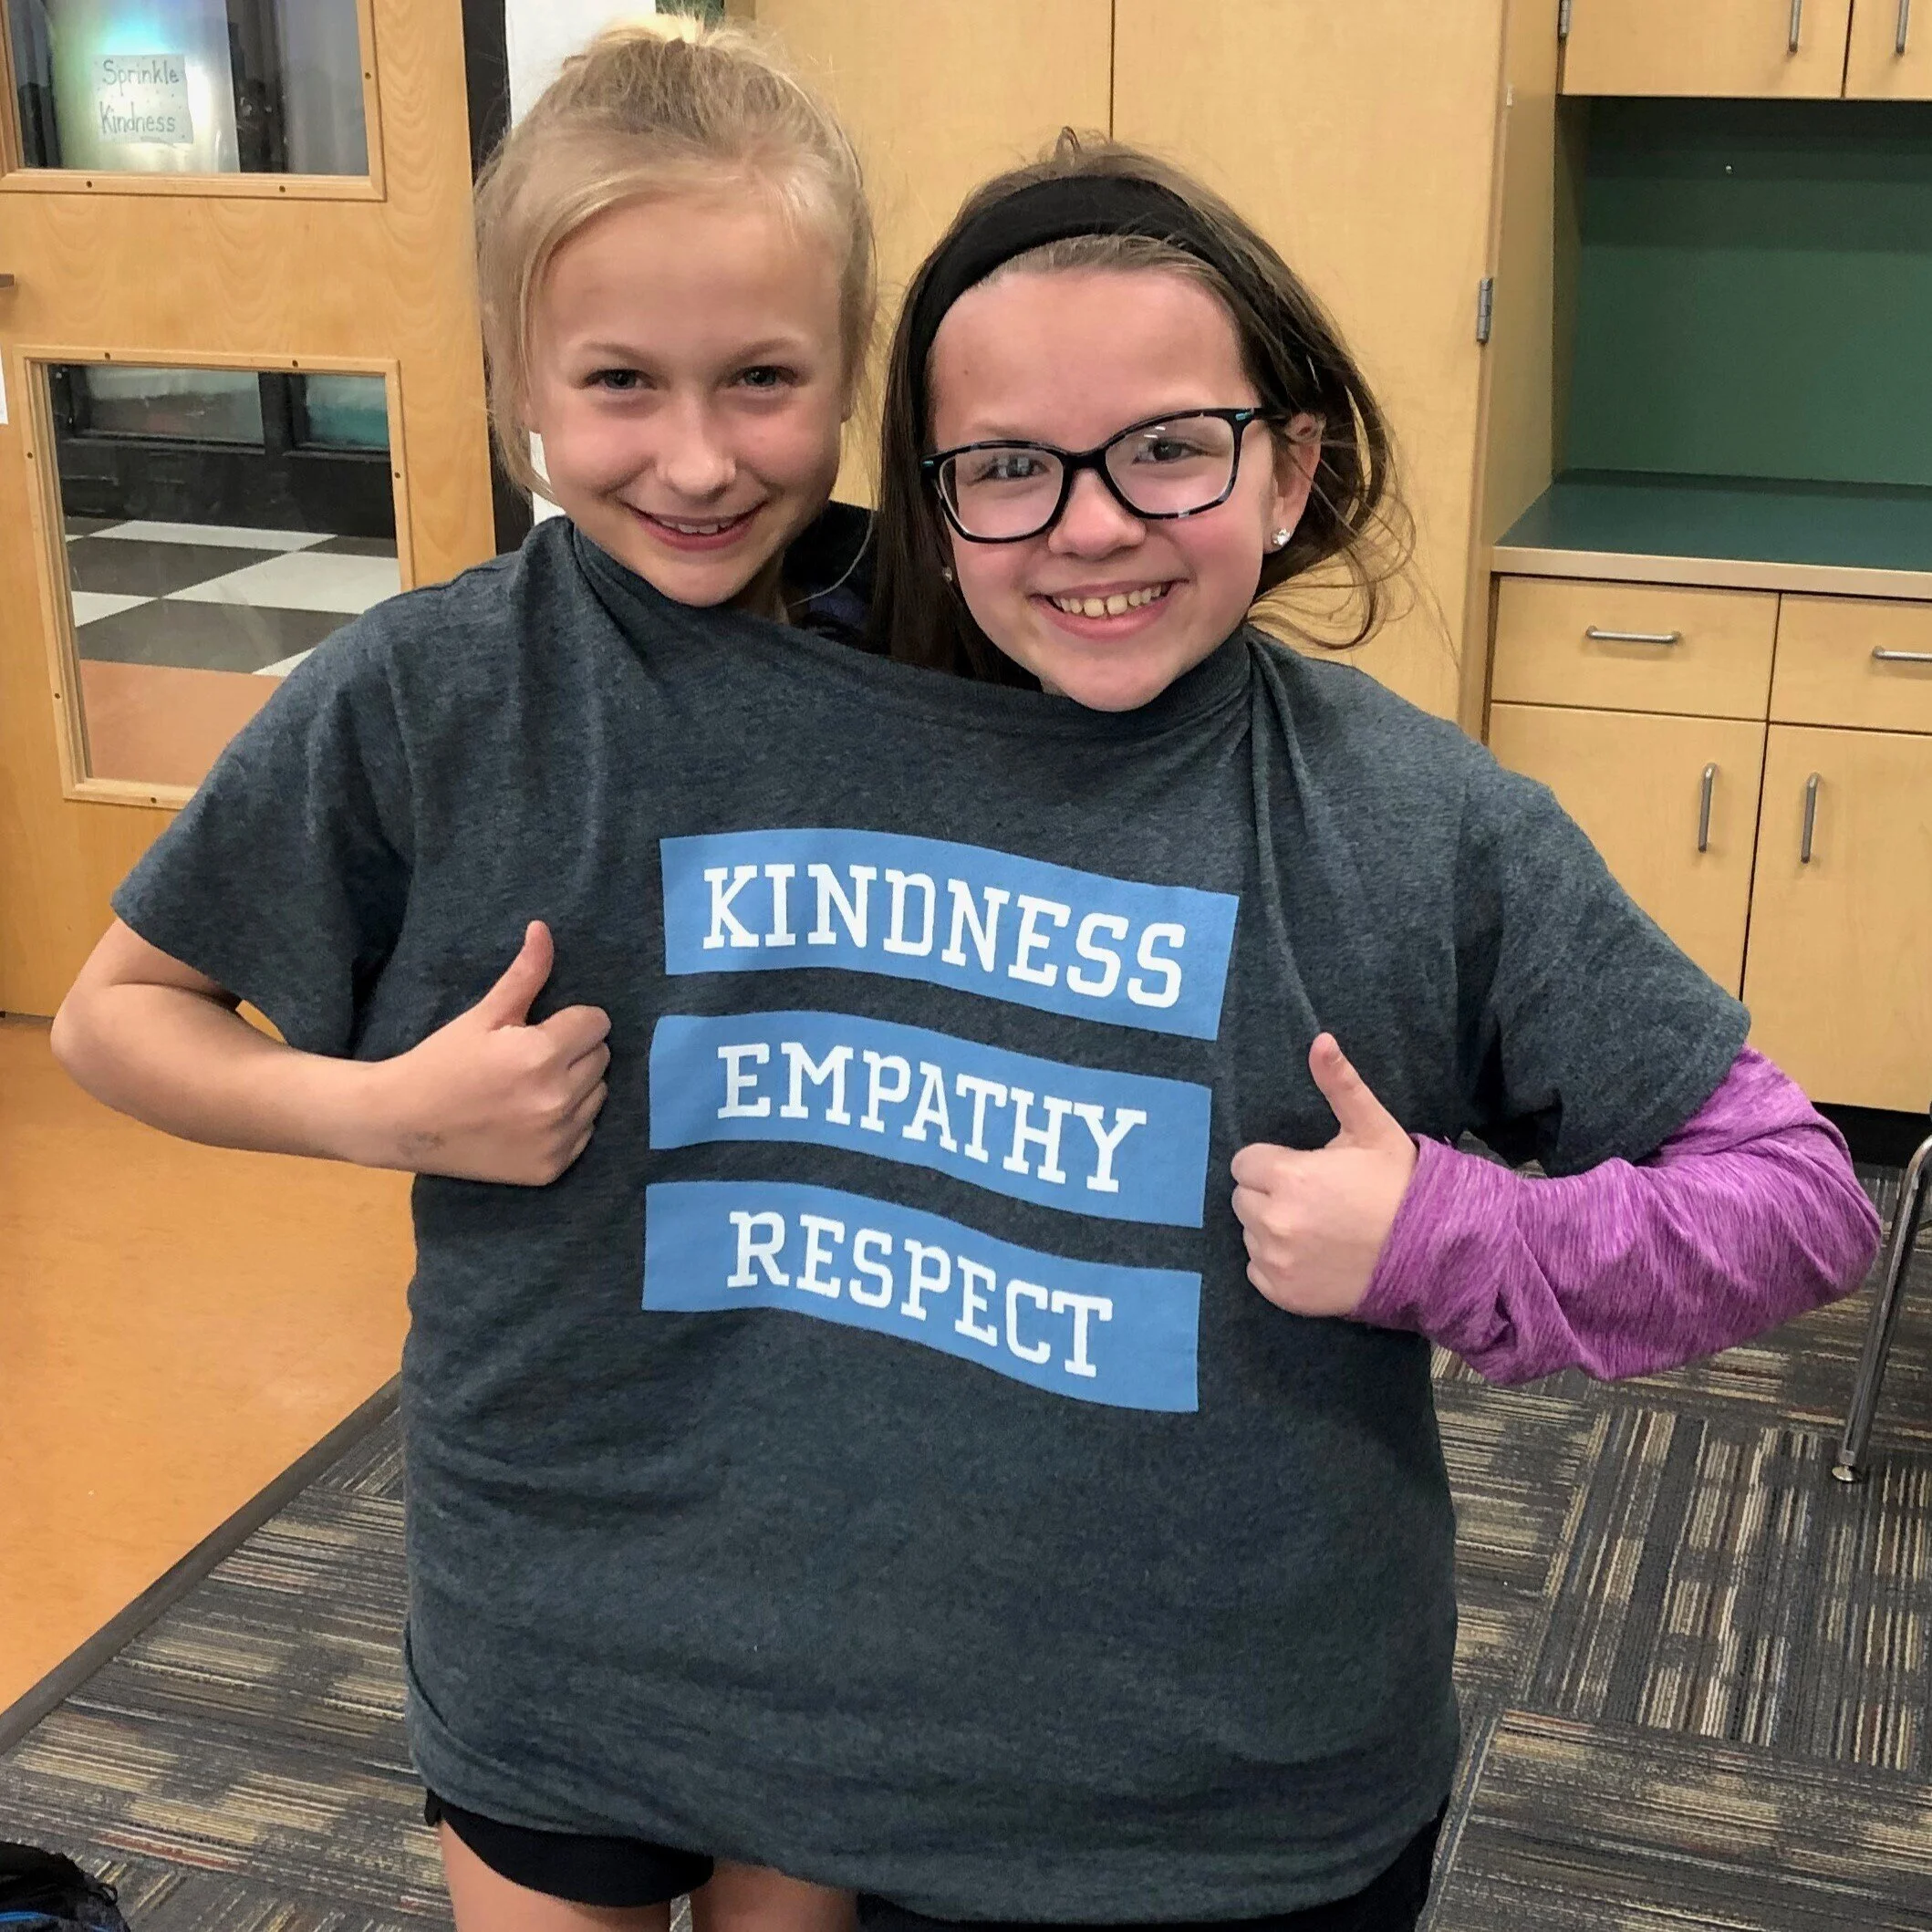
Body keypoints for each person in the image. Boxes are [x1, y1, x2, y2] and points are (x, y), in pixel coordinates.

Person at [835, 136, 1884, 1929]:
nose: (1092, 525)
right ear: (935, 505)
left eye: (1170, 447)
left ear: (1290, 468)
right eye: (1008, 466)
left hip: (1265, 1804)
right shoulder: (817, 780)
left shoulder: (1417, 824)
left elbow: (1798, 1198)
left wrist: (1452, 1236)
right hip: (862, 1776)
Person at [51, 17, 874, 1931]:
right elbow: (113, 1015)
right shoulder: (422, 692)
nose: (696, 457)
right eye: (619, 382)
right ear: (517, 379)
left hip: (856, 1515)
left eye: (763, 379)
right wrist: (382, 1109)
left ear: (851, 366)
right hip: (554, 1523)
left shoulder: (937, 650)